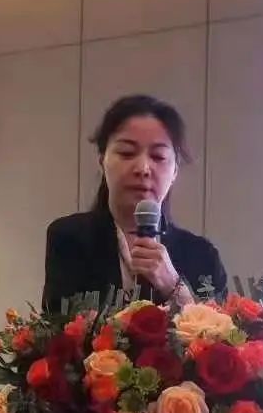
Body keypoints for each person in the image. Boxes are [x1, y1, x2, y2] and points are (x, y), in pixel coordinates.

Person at [42, 94, 227, 313]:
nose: (143, 168)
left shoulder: (202, 255)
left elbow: (223, 331)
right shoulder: (70, 239)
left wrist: (172, 285)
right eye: (127, 153)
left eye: (158, 157)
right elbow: (58, 326)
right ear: (102, 161)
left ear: (175, 171)